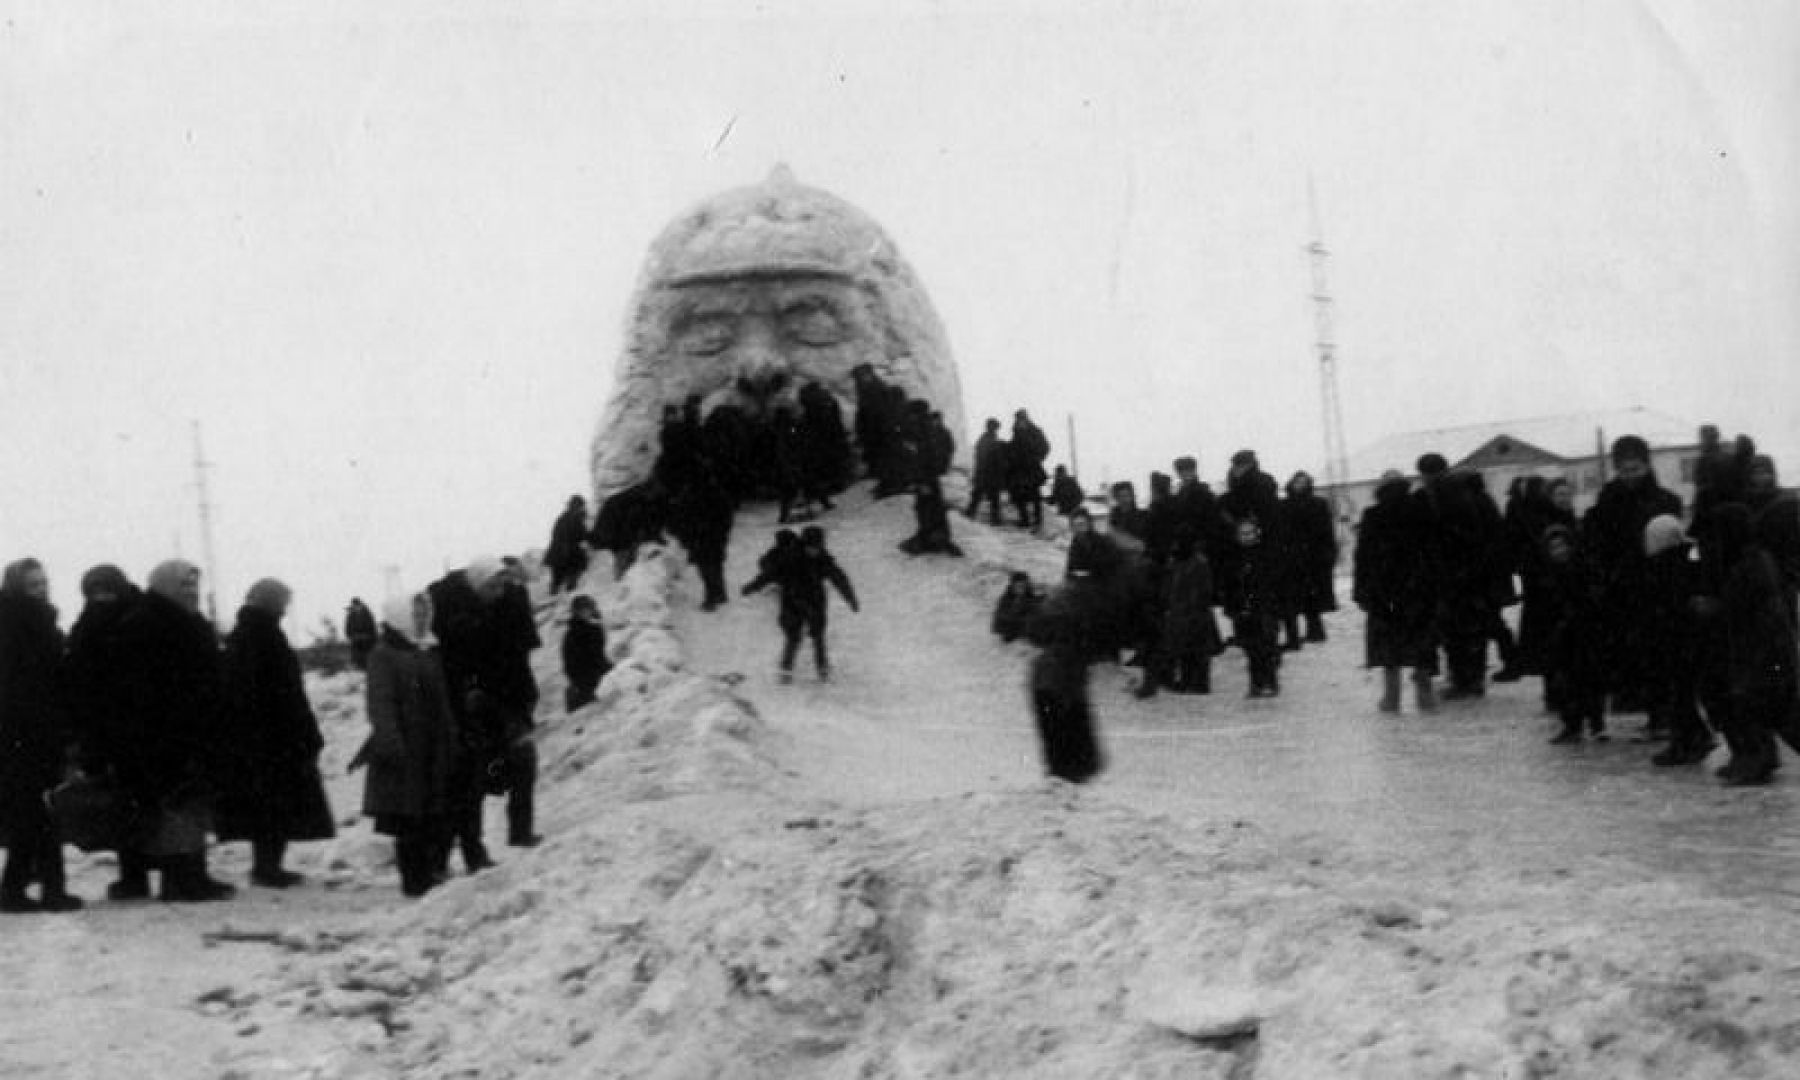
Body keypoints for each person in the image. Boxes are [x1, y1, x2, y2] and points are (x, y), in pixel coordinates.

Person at [112, 560, 234, 902]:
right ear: (165, 586)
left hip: (193, 727)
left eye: (194, 585)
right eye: (183, 585)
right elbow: (143, 687)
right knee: (174, 806)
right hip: (164, 731)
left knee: (192, 805)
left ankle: (194, 873)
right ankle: (179, 880)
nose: (191, 592)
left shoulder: (189, 622)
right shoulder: (147, 623)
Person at [214, 579, 335, 888]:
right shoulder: (261, 636)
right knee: (273, 804)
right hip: (272, 737)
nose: (284, 609)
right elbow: (274, 691)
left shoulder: (251, 634)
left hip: (266, 736)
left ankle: (268, 865)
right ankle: (267, 867)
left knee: (270, 804)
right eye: (281, 602)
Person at [430, 555, 543, 869]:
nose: (501, 589)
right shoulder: (455, 614)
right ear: (479, 584)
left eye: (503, 583)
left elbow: (518, 652)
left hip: (506, 704)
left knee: (522, 761)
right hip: (472, 710)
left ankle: (519, 832)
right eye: (494, 584)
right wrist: (470, 697)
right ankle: (461, 854)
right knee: (470, 784)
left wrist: (525, 695)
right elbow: (458, 663)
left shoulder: (502, 604)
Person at [356, 591, 459, 897]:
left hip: (431, 746)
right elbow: (381, 704)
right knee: (408, 818)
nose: (422, 619)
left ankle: (431, 872)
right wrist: (390, 745)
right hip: (405, 749)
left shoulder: (427, 648)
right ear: (400, 617)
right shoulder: (383, 654)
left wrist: (450, 735)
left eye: (426, 613)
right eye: (416, 614)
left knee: (432, 813)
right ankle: (415, 881)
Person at [1695, 503, 1799, 785]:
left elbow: (1740, 606)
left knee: (1769, 707)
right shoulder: (1750, 559)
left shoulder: (1748, 564)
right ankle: (1756, 757)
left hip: (1763, 650)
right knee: (1772, 708)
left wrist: (1712, 608)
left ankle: (1757, 759)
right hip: (1765, 648)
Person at [0, 559, 82, 913]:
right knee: (40, 813)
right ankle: (46, 888)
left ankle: (22, 888)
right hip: (26, 732)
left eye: (44, 582)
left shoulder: (35, 623)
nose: (43, 589)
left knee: (34, 814)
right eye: (34, 585)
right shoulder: (24, 625)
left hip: (30, 731)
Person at [1583, 435, 1683, 715]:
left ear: (1647, 466)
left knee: (1658, 652)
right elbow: (1595, 542)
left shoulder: (1665, 500)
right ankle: (1636, 700)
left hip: (1657, 587)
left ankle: (1661, 711)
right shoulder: (1607, 502)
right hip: (1619, 589)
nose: (1630, 476)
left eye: (1636, 469)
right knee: (1626, 650)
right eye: (1624, 470)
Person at [1353, 472, 1437, 713]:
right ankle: (1425, 694)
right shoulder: (1421, 510)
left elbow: (1363, 557)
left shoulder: (1373, 515)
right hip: (1417, 588)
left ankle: (1392, 697)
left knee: (1389, 646)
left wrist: (1362, 590)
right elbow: (1432, 550)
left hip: (1384, 591)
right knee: (1421, 642)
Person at [1640, 516, 1716, 766]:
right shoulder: (1690, 560)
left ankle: (1686, 740)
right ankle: (1693, 737)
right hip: (1690, 638)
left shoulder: (1664, 565)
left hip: (1675, 638)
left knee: (1678, 693)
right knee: (1682, 692)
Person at [742, 525, 860, 683]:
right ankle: (786, 669)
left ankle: (822, 667)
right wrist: (752, 586)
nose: (814, 551)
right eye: (811, 547)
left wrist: (850, 598)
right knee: (793, 636)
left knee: (818, 636)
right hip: (792, 601)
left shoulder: (823, 559)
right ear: (804, 545)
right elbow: (769, 574)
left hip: (815, 601)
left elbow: (839, 578)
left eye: (818, 547)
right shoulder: (790, 558)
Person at [1023, 579, 1106, 783]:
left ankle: (1065, 777)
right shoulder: (1073, 639)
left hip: (1047, 683)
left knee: (1062, 750)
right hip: (1056, 685)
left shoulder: (1061, 624)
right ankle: (1068, 778)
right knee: (1070, 751)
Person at [1543, 526, 1609, 744]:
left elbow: (1594, 599)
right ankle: (1574, 724)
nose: (1559, 551)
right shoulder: (1551, 574)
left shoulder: (1583, 569)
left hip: (1585, 633)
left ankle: (1595, 723)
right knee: (1568, 682)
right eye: (1554, 547)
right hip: (1566, 636)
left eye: (1562, 545)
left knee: (1588, 679)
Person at [1221, 518, 1283, 698]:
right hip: (1242, 609)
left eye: (1250, 533)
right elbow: (1229, 584)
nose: (1247, 537)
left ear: (1257, 533)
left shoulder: (1266, 555)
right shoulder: (1233, 558)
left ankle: (1270, 682)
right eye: (1243, 534)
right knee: (1250, 648)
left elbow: (1273, 581)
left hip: (1264, 608)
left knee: (1267, 646)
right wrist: (1232, 607)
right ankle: (1255, 683)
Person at [1279, 471, 1338, 649]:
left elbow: (1327, 531)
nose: (1299, 485)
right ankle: (1294, 637)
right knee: (1291, 598)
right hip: (1291, 558)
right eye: (1297, 482)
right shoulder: (1284, 505)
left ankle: (1315, 631)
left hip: (1313, 558)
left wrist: (1328, 554)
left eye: (1303, 482)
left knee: (1312, 597)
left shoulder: (1318, 504)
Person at [1158, 535, 1219, 694]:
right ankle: (1189, 681)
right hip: (1184, 613)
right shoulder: (1181, 562)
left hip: (1194, 613)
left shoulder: (1197, 563)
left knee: (1195, 650)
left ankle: (1197, 683)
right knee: (1185, 649)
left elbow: (1203, 590)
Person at [562, 595, 612, 712]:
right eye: (583, 610)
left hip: (596, 667)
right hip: (583, 674)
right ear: (576, 612)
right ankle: (578, 696)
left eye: (588, 609)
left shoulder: (594, 626)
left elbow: (598, 652)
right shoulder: (575, 632)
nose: (587, 613)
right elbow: (576, 661)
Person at [1007, 409, 1050, 529]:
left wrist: (1037, 458)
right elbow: (1015, 447)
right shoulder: (1016, 431)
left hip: (1031, 468)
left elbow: (1045, 446)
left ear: (1026, 418)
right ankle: (1025, 519)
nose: (1019, 421)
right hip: (1019, 469)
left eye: (1021, 418)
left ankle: (1037, 520)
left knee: (1034, 494)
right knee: (1018, 494)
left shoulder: (1035, 431)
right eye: (1018, 418)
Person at [900, 480, 965, 557]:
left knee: (931, 512)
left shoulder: (933, 500)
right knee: (925, 510)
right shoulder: (923, 499)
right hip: (930, 531)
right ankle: (931, 540)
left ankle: (933, 541)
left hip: (936, 533)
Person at [544, 496, 591, 595]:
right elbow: (582, 535)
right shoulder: (574, 518)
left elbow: (555, 534)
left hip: (556, 554)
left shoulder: (562, 518)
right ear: (577, 506)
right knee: (572, 577)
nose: (582, 508)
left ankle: (555, 597)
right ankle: (569, 595)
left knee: (556, 581)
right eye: (581, 506)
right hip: (568, 555)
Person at [966, 419, 1008, 523]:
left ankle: (971, 513)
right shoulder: (988, 439)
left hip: (985, 473)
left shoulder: (986, 438)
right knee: (989, 496)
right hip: (988, 473)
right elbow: (987, 456)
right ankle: (994, 518)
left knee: (981, 495)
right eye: (995, 427)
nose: (996, 429)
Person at [991, 572, 1042, 644]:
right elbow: (1003, 615)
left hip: (1021, 622)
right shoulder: (1007, 598)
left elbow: (1033, 601)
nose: (1022, 589)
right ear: (1013, 586)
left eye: (1024, 586)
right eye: (1019, 586)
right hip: (1009, 625)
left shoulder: (1027, 593)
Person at [344, 597, 378, 671]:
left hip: (368, 639)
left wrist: (372, 637)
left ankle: (369, 667)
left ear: (360, 604)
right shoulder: (350, 615)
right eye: (354, 605)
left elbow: (372, 626)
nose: (356, 607)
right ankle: (360, 667)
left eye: (357, 605)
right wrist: (351, 636)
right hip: (356, 640)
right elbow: (348, 627)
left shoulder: (367, 613)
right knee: (357, 656)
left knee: (369, 655)